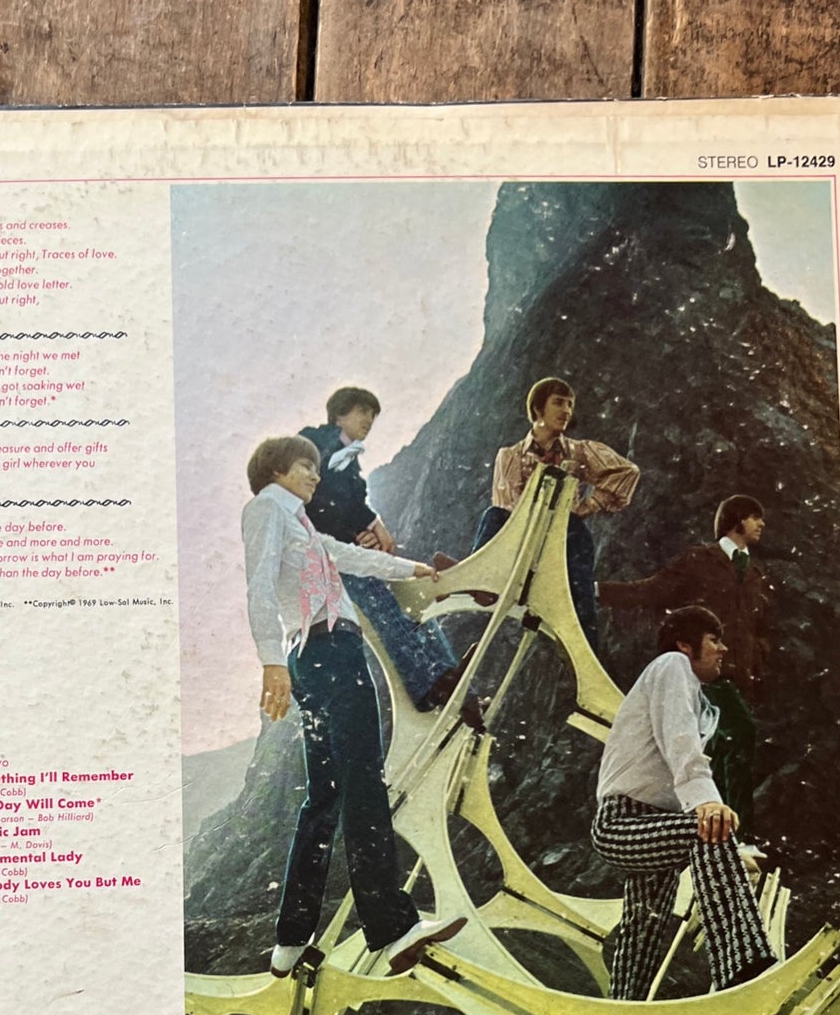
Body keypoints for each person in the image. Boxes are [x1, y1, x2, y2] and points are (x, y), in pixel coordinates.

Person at [242, 434, 467, 977]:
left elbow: (347, 556)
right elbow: (258, 585)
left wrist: (409, 568)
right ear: (276, 470)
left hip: (316, 655)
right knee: (363, 781)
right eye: (305, 465)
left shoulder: (300, 523)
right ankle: (390, 928)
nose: (315, 475)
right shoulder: (268, 509)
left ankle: (290, 940)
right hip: (327, 651)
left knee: (325, 797)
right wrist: (270, 662)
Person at [585, 603, 777, 1015]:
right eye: (714, 639)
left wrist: (725, 837)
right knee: (706, 833)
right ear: (686, 645)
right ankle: (740, 966)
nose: (723, 649)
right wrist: (707, 808)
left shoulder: (701, 700)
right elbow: (680, 746)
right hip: (624, 822)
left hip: (655, 830)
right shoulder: (671, 668)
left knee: (635, 972)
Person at [599, 496, 770, 836]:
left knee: (722, 749)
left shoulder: (756, 573)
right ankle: (736, 834)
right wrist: (594, 591)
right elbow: (653, 590)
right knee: (736, 736)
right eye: (754, 516)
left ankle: (719, 829)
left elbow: (763, 627)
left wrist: (756, 659)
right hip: (698, 673)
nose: (761, 524)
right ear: (735, 520)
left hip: (737, 678)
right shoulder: (699, 560)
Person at [300, 387, 470, 715]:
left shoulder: (346, 455)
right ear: (340, 414)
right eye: (362, 411)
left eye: (372, 415)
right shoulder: (318, 442)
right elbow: (326, 499)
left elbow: (345, 502)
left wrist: (364, 530)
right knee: (384, 605)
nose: (369, 420)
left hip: (343, 549)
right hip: (326, 558)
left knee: (410, 604)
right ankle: (426, 685)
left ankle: (450, 679)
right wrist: (370, 525)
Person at [468, 377, 639, 649]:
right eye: (558, 403)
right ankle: (477, 577)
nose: (566, 411)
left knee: (580, 581)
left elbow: (627, 471)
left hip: (563, 537)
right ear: (538, 409)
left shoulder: (578, 451)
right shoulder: (510, 456)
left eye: (570, 404)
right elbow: (507, 504)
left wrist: (589, 505)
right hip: (521, 537)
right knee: (494, 515)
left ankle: (584, 650)